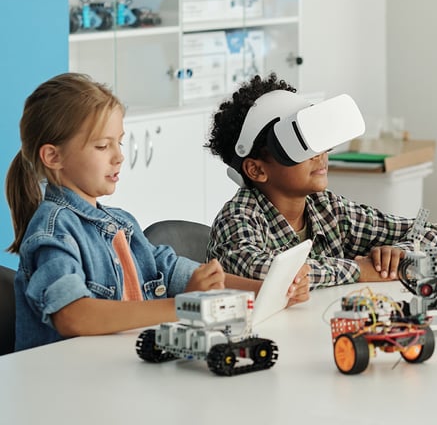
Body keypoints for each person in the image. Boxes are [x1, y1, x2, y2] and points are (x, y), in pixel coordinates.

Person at [6, 73, 310, 351]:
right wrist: (183, 305)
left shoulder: (122, 224)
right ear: (53, 156)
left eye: (120, 143)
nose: (119, 156)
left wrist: (270, 291)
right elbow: (73, 316)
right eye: (102, 146)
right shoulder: (52, 231)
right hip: (67, 389)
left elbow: (183, 272)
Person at [205, 74, 437, 288]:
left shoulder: (326, 208)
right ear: (256, 170)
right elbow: (264, 272)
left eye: (315, 137)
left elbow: (430, 232)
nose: (319, 153)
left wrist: (397, 254)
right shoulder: (238, 218)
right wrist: (358, 270)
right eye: (298, 143)